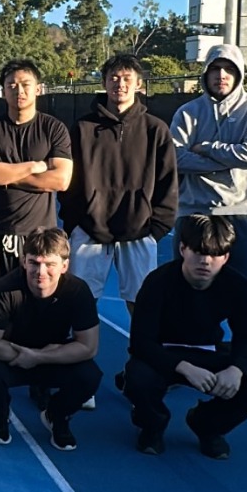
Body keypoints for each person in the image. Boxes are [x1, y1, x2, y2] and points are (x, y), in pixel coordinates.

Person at [124, 214, 247, 459]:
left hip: (209, 351)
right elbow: (140, 342)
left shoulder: (237, 285)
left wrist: (236, 368)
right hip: (166, 353)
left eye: (214, 254)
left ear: (225, 257)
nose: (205, 261)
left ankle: (208, 426)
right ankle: (153, 425)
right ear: (183, 249)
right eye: (198, 252)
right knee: (137, 377)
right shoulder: (158, 282)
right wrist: (185, 368)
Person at [170, 43, 247, 374]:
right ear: (206, 74)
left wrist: (206, 149)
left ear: (239, 73)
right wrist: (224, 158)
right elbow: (174, 157)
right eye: (215, 69)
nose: (221, 75)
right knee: (186, 293)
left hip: (238, 213)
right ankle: (189, 364)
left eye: (228, 69)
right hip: (193, 214)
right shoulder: (187, 113)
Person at [0, 58, 73, 350]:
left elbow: (60, 180)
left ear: (38, 88)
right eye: (11, 85)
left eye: (25, 84)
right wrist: (33, 166)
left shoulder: (53, 128)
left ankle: (40, 374)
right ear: (3, 91)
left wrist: (7, 175)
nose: (19, 91)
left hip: (39, 237)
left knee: (39, 307)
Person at [63, 54, 178, 311]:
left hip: (139, 232)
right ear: (104, 83)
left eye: (127, 78)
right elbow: (70, 181)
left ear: (138, 84)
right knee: (79, 304)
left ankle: (140, 352)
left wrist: (155, 229)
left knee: (142, 305)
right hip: (89, 230)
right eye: (113, 78)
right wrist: (75, 223)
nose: (120, 84)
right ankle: (80, 353)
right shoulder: (82, 128)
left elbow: (167, 183)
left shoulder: (156, 130)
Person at [0, 227, 101, 451]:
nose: (41, 271)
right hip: (14, 358)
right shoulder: (6, 288)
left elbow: (88, 347)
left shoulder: (78, 291)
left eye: (49, 264)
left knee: (90, 375)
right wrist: (26, 356)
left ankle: (56, 416)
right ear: (23, 261)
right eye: (34, 262)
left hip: (50, 358)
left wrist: (39, 357)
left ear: (64, 265)